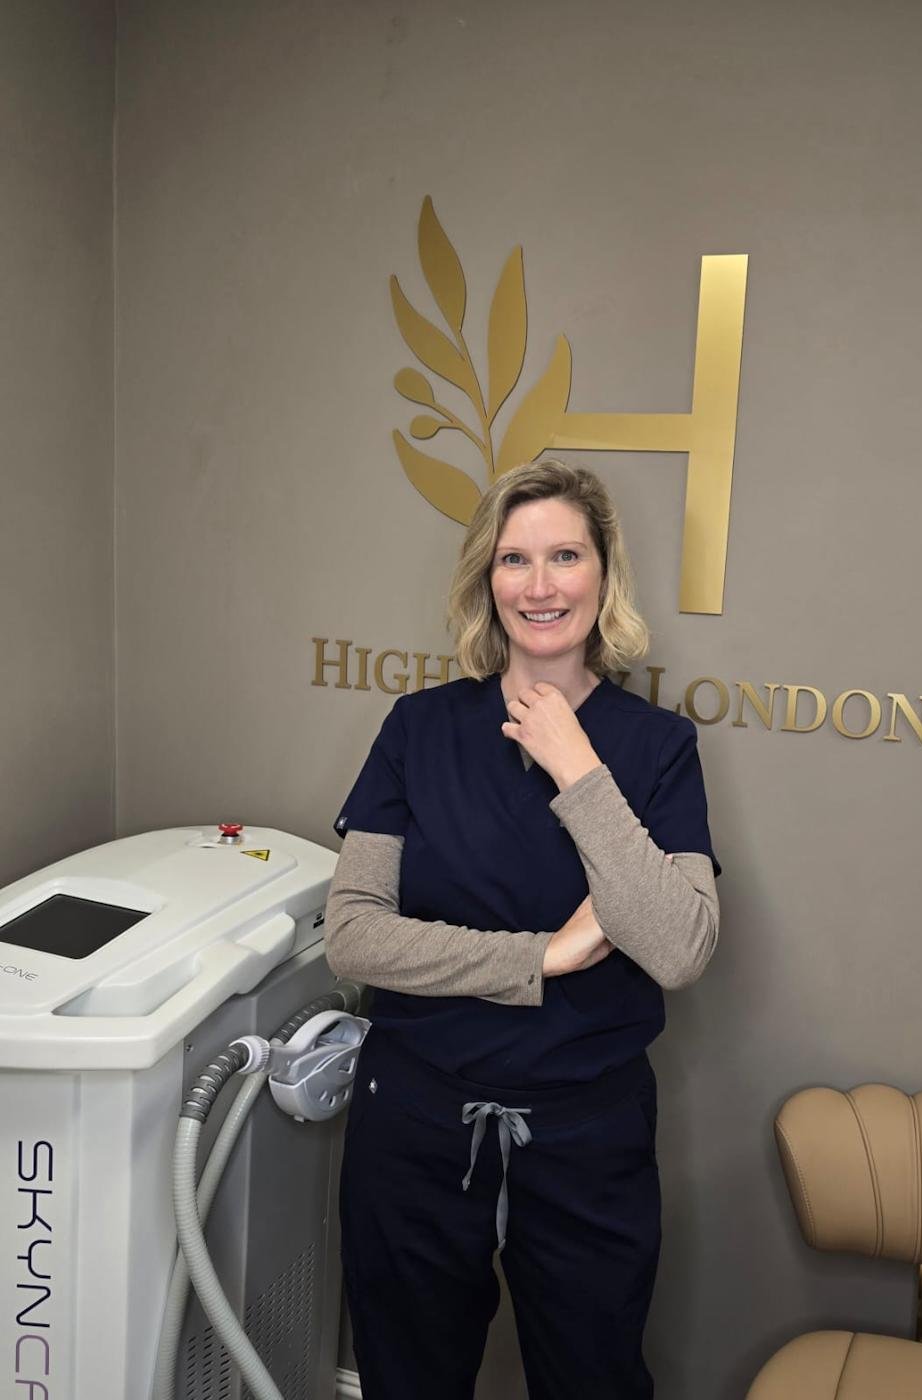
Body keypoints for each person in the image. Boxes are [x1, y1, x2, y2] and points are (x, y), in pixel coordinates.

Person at [325, 458, 720, 1400]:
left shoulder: (658, 750)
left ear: (602, 574)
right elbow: (353, 936)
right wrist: (542, 956)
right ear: (486, 580)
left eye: (565, 556)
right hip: (413, 1128)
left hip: (587, 1140)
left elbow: (679, 947)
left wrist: (578, 768)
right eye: (515, 559)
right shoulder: (416, 730)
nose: (540, 586)